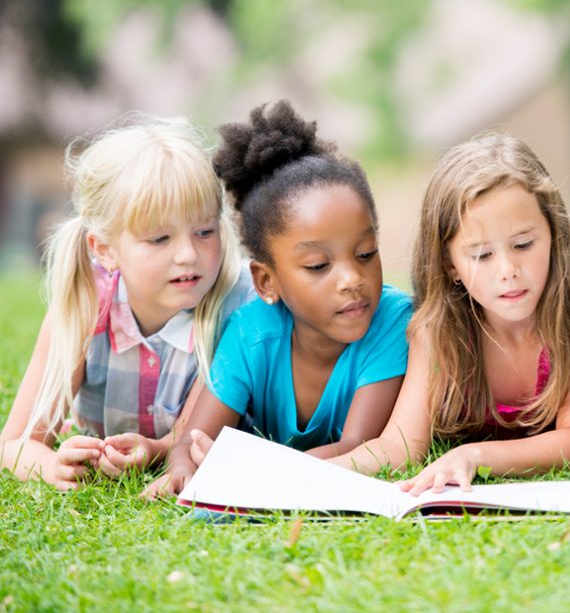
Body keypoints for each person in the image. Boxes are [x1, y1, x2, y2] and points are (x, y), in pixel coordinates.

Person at [146, 101, 412, 497]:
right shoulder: (250, 333)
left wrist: (254, 471)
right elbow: (192, 440)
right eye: (319, 265)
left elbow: (359, 446)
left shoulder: (391, 321)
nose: (352, 279)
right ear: (267, 281)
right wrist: (183, 469)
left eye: (365, 254)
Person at [324, 133, 570, 493]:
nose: (507, 269)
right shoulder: (439, 329)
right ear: (449, 264)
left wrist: (475, 456)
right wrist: (307, 472)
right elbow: (399, 446)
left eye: (523, 245)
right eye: (482, 255)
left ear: (553, 234)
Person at [0, 116, 251, 490]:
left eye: (204, 231)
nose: (187, 255)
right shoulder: (84, 307)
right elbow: (15, 444)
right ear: (104, 249)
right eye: (160, 238)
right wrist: (53, 467)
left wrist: (154, 450)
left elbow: (194, 441)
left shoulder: (234, 306)